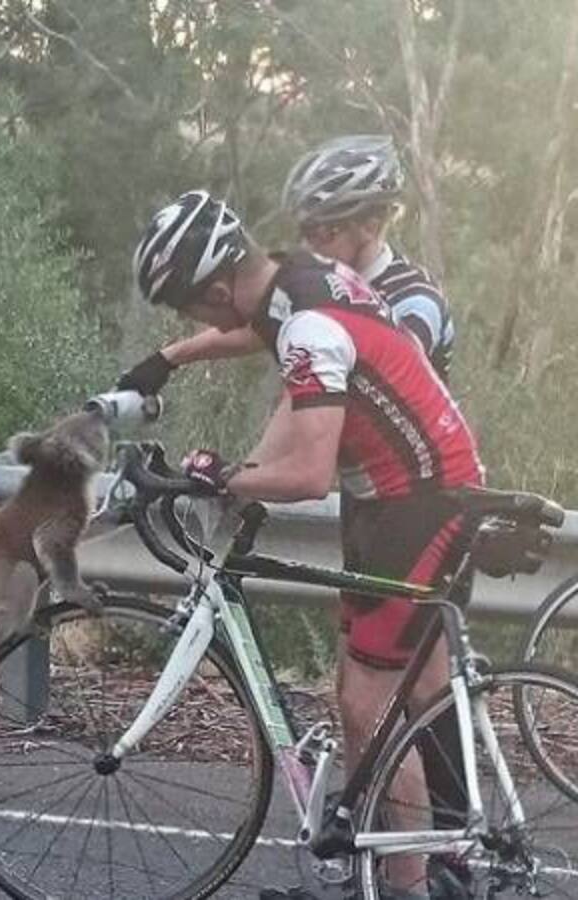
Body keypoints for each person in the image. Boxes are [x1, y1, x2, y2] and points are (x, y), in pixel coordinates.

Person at [122, 190, 483, 899]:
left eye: (188, 308)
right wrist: (168, 358)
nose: (195, 320)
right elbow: (257, 334)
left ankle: (406, 885)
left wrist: (227, 475)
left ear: (219, 288)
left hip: (419, 501)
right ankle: (439, 863)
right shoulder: (298, 279)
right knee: (413, 689)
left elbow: (310, 472)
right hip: (407, 489)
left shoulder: (308, 326)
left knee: (363, 700)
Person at [118, 135, 453, 383]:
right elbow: (261, 327)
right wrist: (166, 360)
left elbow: (391, 380)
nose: (309, 244)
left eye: (325, 232)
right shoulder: (325, 280)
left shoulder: (415, 301)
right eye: (305, 229)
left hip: (418, 476)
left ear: (371, 226)